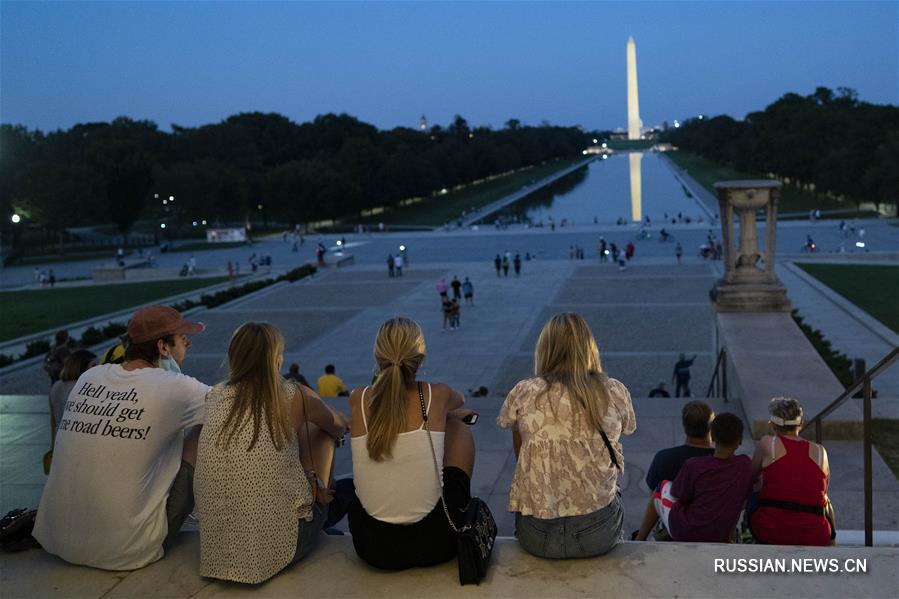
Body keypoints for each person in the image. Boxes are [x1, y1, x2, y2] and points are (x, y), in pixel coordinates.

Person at [33, 305, 210, 570]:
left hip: (58, 540)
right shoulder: (177, 387)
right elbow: (236, 406)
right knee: (204, 427)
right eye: (182, 338)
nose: (189, 342)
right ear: (163, 347)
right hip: (126, 549)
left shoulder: (89, 376)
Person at [194, 323, 349, 584]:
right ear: (275, 358)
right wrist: (342, 420)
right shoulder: (293, 394)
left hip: (217, 554)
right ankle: (321, 499)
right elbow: (336, 426)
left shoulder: (215, 395)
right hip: (272, 554)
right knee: (320, 434)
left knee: (291, 433)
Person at [498, 313, 635, 559]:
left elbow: (523, 458)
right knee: (613, 490)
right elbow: (614, 441)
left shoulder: (524, 393)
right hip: (598, 534)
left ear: (545, 349)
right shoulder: (613, 391)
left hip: (537, 536)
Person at [347, 317, 476, 570]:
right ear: (421, 356)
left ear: (377, 355)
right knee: (459, 428)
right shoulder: (435, 394)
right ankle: (461, 507)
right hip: (436, 543)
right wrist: (445, 415)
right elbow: (460, 399)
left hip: (372, 547)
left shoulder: (359, 399)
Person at [634, 413, 752, 543]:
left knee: (662, 487)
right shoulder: (745, 465)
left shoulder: (695, 465)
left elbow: (678, 494)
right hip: (721, 534)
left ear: (712, 436)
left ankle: (640, 539)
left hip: (687, 531)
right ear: (740, 440)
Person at [749, 397, 834, 546]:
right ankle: (833, 540)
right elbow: (823, 491)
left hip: (770, 529)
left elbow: (750, 476)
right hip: (815, 533)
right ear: (801, 424)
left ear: (773, 425)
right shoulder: (821, 452)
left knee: (753, 492)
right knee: (825, 499)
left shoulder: (768, 443)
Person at [644, 401, 714, 492]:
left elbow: (654, 496)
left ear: (685, 426)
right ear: (711, 427)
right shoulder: (724, 459)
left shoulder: (663, 458)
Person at [48, 350, 98, 449]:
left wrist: (53, 448)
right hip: (78, 445)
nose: (98, 369)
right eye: (94, 365)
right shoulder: (85, 387)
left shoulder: (57, 386)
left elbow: (53, 421)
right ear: (81, 366)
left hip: (61, 442)